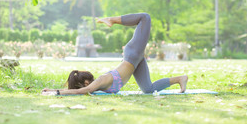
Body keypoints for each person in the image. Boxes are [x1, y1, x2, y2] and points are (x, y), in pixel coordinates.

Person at [42, 13, 188, 95]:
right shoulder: (99, 86)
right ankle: (180, 79)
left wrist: (56, 92)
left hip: (132, 55)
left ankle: (111, 20)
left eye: (79, 86)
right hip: (135, 62)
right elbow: (84, 91)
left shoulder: (100, 80)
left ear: (85, 82)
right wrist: (59, 91)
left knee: (145, 18)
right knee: (148, 89)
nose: (81, 89)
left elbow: (85, 90)